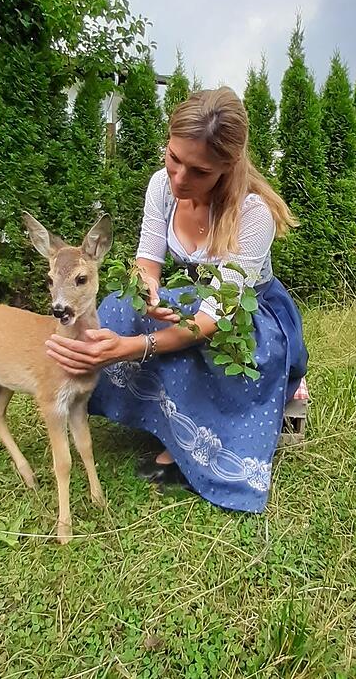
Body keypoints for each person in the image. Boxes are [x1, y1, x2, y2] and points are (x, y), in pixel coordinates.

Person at [45, 87, 308, 512]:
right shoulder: (162, 186)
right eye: (173, 158)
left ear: (229, 165)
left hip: (243, 317)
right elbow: (146, 260)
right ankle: (161, 417)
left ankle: (246, 413)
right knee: (114, 310)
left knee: (201, 347)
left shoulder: (253, 215)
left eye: (200, 171)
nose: (180, 179)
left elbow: (211, 319)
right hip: (190, 300)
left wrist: (130, 349)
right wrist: (146, 289)